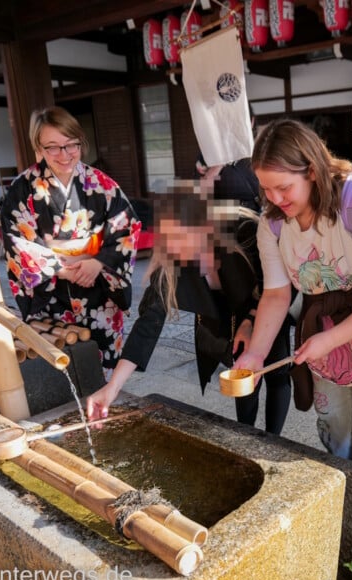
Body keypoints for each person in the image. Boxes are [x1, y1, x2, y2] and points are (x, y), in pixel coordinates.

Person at [234, 119, 352, 476]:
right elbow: (276, 294)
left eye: (283, 188)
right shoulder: (273, 223)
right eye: (266, 189)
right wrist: (255, 353)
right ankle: (340, 502)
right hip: (322, 339)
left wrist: (328, 339)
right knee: (334, 428)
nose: (274, 200)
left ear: (312, 170)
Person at [86, 181, 293, 435]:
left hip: (266, 306)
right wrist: (113, 387)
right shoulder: (171, 262)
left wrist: (250, 321)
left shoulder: (245, 230)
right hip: (224, 320)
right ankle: (247, 435)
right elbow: (147, 325)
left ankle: (275, 438)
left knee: (277, 373)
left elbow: (273, 282)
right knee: (243, 376)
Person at [0, 106, 139, 375]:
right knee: (58, 370)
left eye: (70, 145)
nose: (64, 155)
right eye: (52, 147)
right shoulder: (23, 188)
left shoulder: (101, 183)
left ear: (80, 142)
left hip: (99, 293)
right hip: (51, 298)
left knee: (103, 371)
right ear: (38, 148)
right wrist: (62, 270)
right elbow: (16, 240)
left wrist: (98, 263)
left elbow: (127, 227)